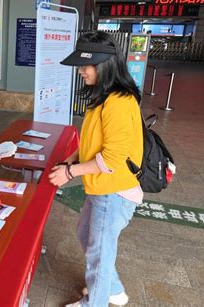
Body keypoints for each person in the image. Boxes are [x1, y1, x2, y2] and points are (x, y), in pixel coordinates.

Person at [49, 31, 143, 307]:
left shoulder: (120, 102)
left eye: (85, 65)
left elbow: (112, 159)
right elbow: (93, 142)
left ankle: (97, 302)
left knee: (99, 251)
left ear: (104, 64)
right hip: (101, 187)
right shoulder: (102, 97)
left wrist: (70, 172)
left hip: (114, 192)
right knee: (86, 236)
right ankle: (112, 289)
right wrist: (72, 159)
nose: (81, 71)